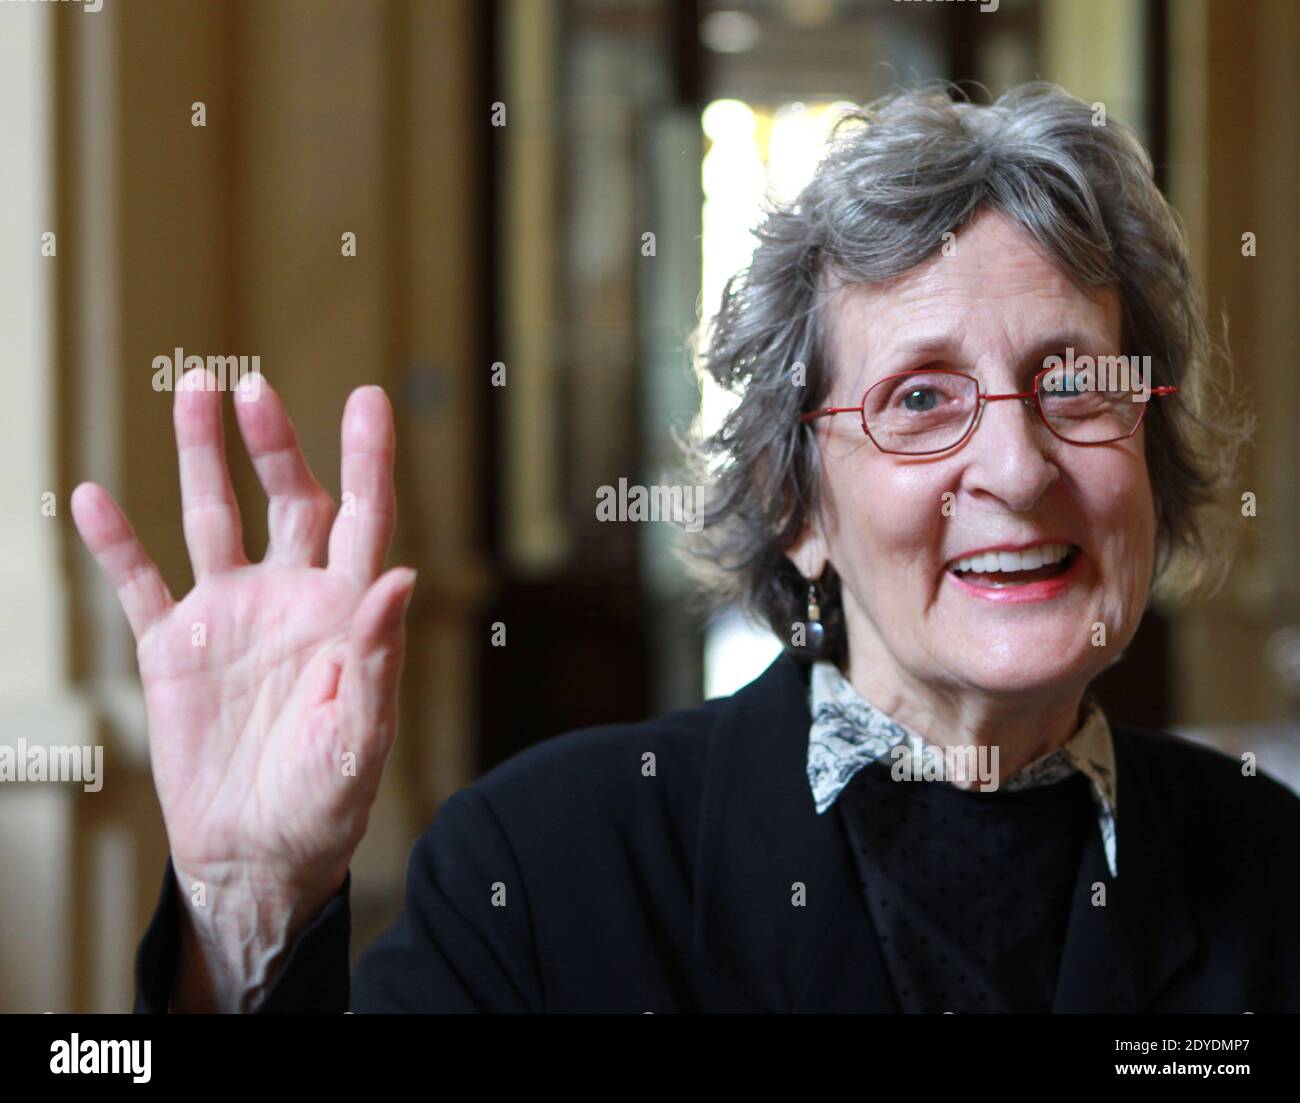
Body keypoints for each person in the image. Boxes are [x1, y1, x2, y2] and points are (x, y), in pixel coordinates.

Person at [72, 83, 1298, 1014]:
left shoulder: (1275, 867)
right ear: (793, 502)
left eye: (1075, 382)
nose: (1020, 467)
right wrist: (244, 916)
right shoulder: (545, 858)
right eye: (919, 399)